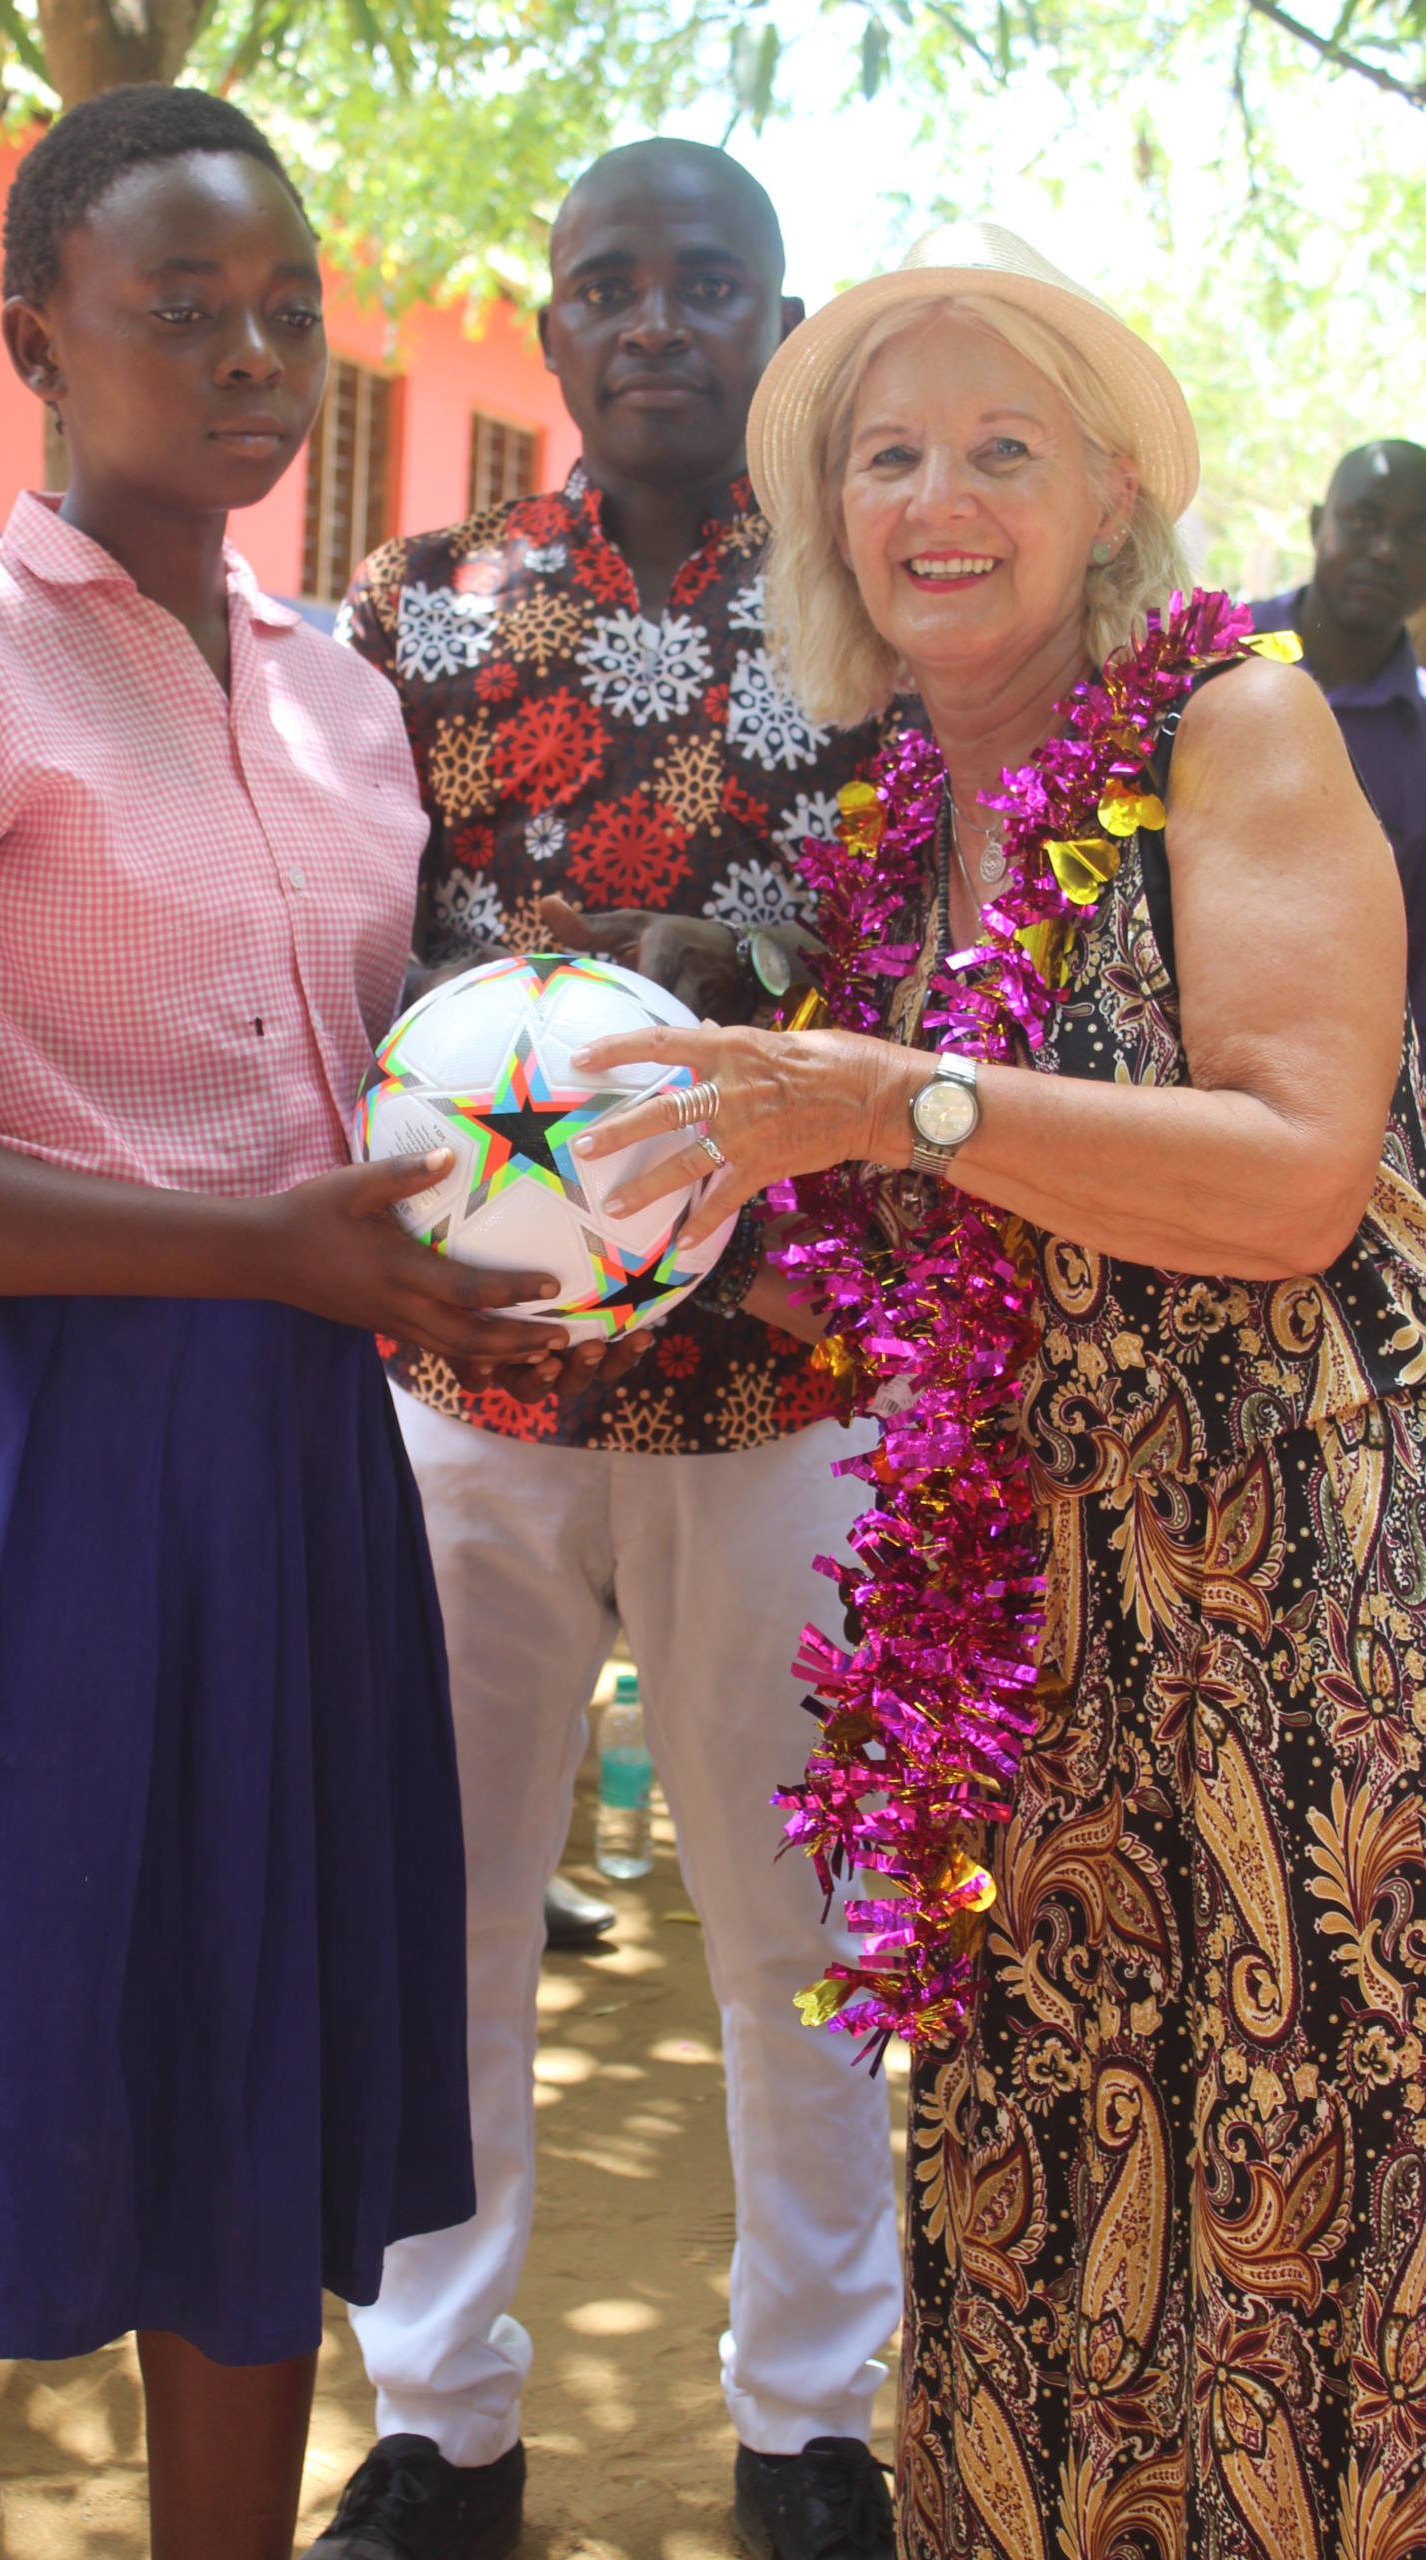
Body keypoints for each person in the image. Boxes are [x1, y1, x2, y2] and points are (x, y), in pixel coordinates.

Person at [0, 84, 573, 2560]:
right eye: (179, 308)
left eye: (286, 309)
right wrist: (254, 1250)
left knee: (243, 2034)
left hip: (283, 1447)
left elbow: (376, 1072)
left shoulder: (338, 698)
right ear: (37, 340)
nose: (252, 356)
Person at [572, 223, 1426, 2557]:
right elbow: (932, 1229)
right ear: (828, 513)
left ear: (1105, 493)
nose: (935, 502)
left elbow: (1291, 1174)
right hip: (1024, 1633)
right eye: (885, 458)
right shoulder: (893, 819)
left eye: (999, 451)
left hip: (1283, 1618)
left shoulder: (1222, 727)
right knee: (1044, 2206)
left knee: (1287, 2226)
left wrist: (889, 1101)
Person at [319, 138, 901, 2560]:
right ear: (553, 323)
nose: (654, 319)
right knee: (441, 1905)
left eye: (704, 283)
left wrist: (753, 991)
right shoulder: (414, 605)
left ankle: (810, 2424)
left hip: (783, 1374)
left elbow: (943, 948)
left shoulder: (873, 601)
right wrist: (492, 1030)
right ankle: (435, 2427)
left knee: (795, 1924)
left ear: (776, 321)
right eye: (609, 282)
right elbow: (337, 941)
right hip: (473, 1369)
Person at [1248, 439, 1426, 1022]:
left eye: (1415, 534)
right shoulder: (1205, 656)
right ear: (1317, 526)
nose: (1386, 551)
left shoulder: (1418, 747)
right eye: (1365, 522)